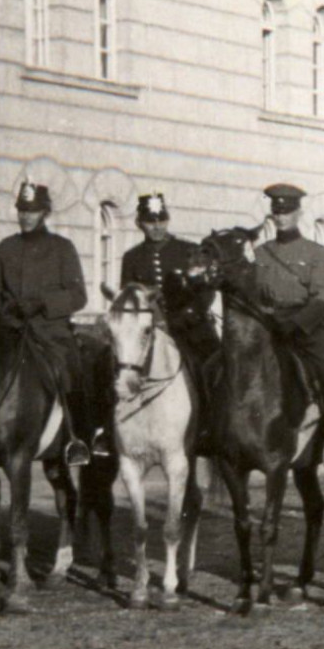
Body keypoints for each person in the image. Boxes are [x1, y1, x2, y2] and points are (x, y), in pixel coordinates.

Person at [0, 178, 92, 466]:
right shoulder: (5, 248)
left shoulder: (62, 248)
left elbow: (78, 295)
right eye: (22, 210)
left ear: (45, 213)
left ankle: (77, 438)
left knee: (72, 372)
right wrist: (6, 311)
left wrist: (44, 303)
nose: (25, 216)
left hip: (51, 333)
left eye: (32, 211)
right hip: (11, 331)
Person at [103, 190, 220, 456]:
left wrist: (186, 315)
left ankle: (211, 427)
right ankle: (111, 432)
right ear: (139, 223)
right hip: (149, 333)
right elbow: (128, 298)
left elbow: (206, 291)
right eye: (150, 221)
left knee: (212, 368)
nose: (156, 226)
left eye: (161, 220)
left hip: (189, 330)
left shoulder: (189, 250)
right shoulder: (132, 257)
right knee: (116, 368)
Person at [254, 183, 324, 467]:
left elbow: (322, 298)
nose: (281, 217)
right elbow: (254, 295)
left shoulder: (315, 252)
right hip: (271, 327)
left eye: (286, 211)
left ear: (298, 213)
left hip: (308, 330)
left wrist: (296, 324)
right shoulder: (261, 254)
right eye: (277, 212)